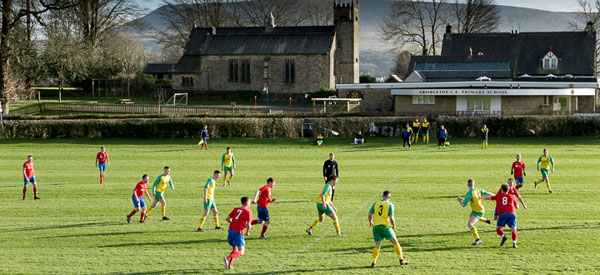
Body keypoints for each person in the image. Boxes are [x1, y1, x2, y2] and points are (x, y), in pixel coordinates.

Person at [368, 191, 409, 268]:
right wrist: (394, 225)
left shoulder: (376, 203)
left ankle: (374, 262)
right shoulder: (390, 205)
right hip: (385, 227)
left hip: (376, 227)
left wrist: (371, 222)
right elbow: (391, 217)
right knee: (395, 242)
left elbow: (369, 214)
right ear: (389, 197)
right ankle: (401, 259)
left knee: (377, 245)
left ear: (382, 196)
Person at [457, 178, 493, 245]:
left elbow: (463, 205)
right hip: (478, 209)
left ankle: (478, 239)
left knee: (470, 224)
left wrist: (460, 201)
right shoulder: (477, 189)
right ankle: (486, 220)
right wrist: (497, 196)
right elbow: (488, 193)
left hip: (478, 212)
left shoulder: (469, 193)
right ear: (474, 184)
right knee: (471, 216)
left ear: (467, 185)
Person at [483, 183, 519, 248]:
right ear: (508, 190)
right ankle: (514, 243)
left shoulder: (498, 196)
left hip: (503, 214)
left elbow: (489, 198)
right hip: (512, 214)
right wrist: (516, 206)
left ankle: (503, 236)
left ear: (501, 189)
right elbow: (516, 206)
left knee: (498, 228)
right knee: (513, 229)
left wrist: (481, 198)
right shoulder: (512, 196)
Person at [222, 196, 253, 270]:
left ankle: (230, 265)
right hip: (238, 232)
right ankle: (228, 258)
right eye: (249, 202)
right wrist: (247, 232)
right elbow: (249, 224)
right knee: (241, 252)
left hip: (230, 230)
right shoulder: (248, 211)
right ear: (246, 203)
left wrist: (233, 223)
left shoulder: (236, 209)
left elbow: (227, 218)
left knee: (235, 250)